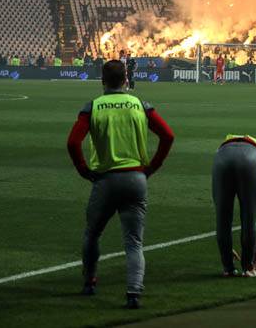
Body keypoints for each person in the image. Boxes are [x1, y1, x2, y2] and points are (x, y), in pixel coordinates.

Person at [66, 59, 175, 309]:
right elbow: (168, 135)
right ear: (126, 80)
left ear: (102, 81)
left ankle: (90, 282)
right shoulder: (140, 104)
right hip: (136, 179)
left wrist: (84, 170)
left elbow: (73, 143)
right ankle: (133, 293)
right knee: (134, 242)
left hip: (105, 179)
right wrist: (152, 167)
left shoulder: (93, 107)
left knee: (92, 233)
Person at [212, 134, 256, 277]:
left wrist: (225, 247)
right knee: (249, 217)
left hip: (222, 157)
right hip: (251, 160)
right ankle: (248, 268)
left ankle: (228, 268)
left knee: (222, 217)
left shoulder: (226, 142)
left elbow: (218, 205)